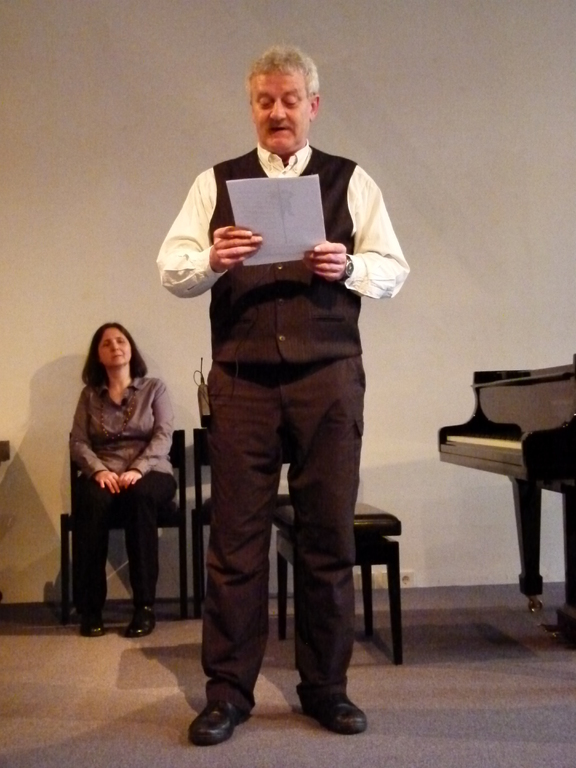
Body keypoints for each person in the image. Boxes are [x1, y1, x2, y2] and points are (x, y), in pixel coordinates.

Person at [157, 45, 409, 746]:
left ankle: (326, 688)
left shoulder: (351, 181)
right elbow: (171, 268)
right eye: (265, 101)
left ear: (312, 106)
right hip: (243, 384)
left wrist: (348, 264)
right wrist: (213, 259)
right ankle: (227, 693)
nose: (277, 112)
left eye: (290, 100)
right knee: (236, 544)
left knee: (327, 538)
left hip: (328, 379)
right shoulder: (215, 183)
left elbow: (393, 268)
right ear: (252, 107)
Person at [70, 322, 175, 639]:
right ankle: (91, 610)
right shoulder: (89, 395)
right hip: (104, 472)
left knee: (139, 496)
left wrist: (138, 469)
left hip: (152, 472)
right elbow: (78, 442)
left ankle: (144, 607)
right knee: (90, 498)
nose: (115, 346)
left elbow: (164, 434)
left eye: (120, 341)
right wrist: (99, 471)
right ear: (98, 356)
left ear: (130, 349)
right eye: (106, 343)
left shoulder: (154, 388)